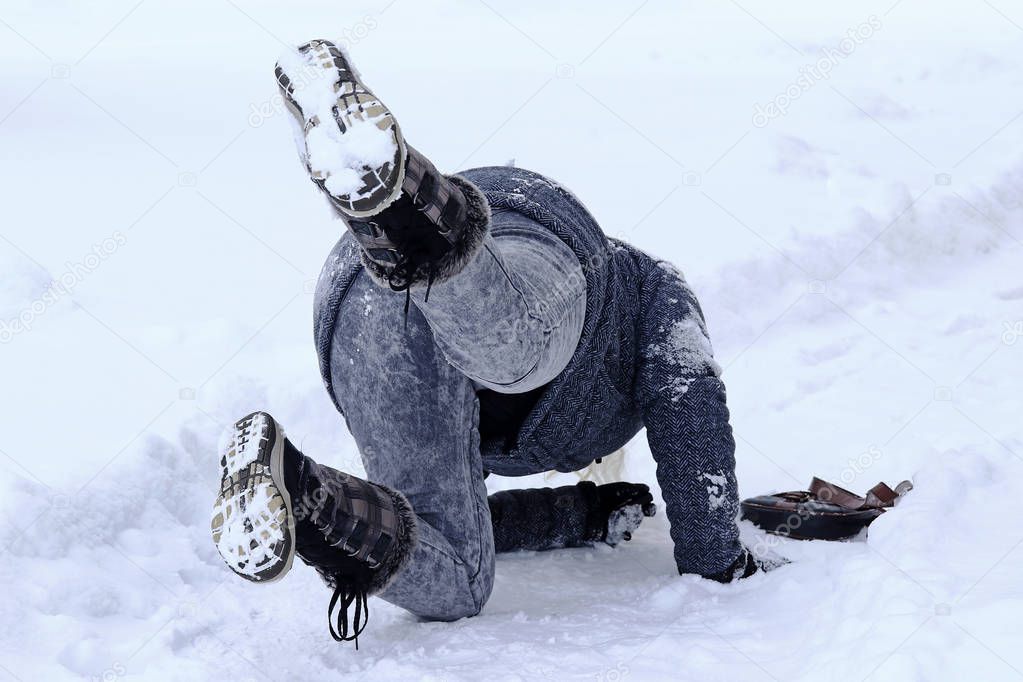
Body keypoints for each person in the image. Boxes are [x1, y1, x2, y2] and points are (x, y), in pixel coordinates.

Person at [211, 39, 769, 644]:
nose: (577, 464)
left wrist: (580, 514)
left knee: (459, 577)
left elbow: (478, 528)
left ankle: (304, 498)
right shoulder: (653, 290)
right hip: (525, 229)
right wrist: (718, 561)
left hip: (360, 305)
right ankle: (407, 206)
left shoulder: (510, 441)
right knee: (519, 355)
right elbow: (691, 403)